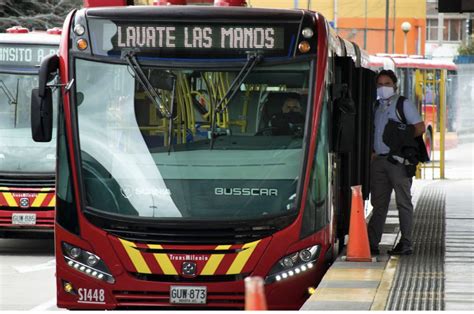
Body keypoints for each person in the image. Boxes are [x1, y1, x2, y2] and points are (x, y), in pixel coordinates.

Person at [368, 69, 425, 256]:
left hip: (398, 162)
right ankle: (371, 244)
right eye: (380, 84)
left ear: (395, 86)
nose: (383, 88)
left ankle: (406, 243)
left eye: (387, 84)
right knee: (379, 205)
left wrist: (402, 143)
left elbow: (419, 127)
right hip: (379, 161)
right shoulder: (376, 106)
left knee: (403, 203)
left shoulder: (403, 104)